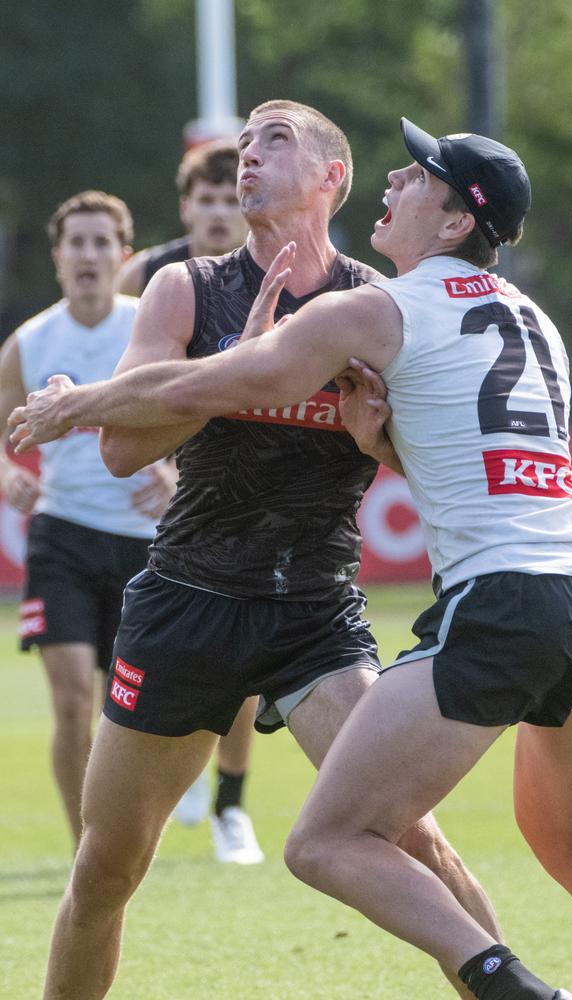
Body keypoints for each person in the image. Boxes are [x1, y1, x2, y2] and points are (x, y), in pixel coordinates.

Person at [14, 116, 572, 998]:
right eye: (242, 142)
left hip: (316, 611)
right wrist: (228, 368)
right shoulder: (187, 287)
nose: (247, 154)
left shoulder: (373, 300)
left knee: (414, 841)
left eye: (272, 139)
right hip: (190, 595)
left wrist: (355, 429)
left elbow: (410, 444)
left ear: (330, 176)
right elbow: (124, 452)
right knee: (106, 869)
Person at [0, 190, 176, 850]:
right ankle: (86, 854)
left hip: (144, 545)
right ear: (57, 257)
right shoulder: (30, 342)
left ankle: (121, 836)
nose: (89, 254)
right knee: (72, 699)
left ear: (123, 255)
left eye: (103, 242)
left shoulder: (150, 331)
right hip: (62, 535)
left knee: (126, 710)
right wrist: (10, 473)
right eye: (77, 241)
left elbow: (196, 414)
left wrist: (173, 475)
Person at [120, 138, 263, 862]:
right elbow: (115, 382)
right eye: (202, 199)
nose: (215, 212)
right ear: (184, 207)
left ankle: (232, 805)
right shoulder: (148, 276)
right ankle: (181, 781)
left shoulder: (278, 275)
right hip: (146, 485)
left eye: (226, 197)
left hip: (231, 493)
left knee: (241, 654)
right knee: (159, 649)